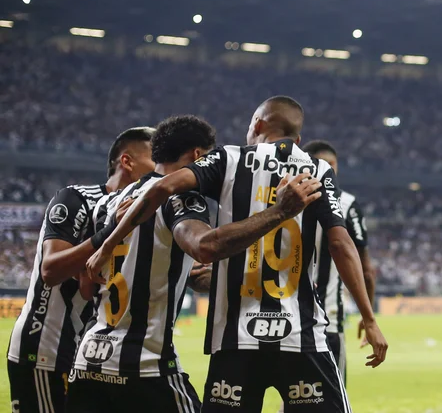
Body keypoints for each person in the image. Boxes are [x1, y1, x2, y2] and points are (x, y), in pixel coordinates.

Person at [90, 96, 388, 412]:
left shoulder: (228, 159)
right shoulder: (317, 170)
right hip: (301, 335)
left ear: (257, 124)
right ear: (297, 139)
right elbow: (341, 245)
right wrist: (369, 319)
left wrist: (107, 244)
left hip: (234, 337)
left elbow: (161, 187)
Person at [69, 115, 321, 412]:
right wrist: (279, 213)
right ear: (198, 156)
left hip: (88, 362)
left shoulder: (108, 204)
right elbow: (204, 246)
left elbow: (87, 284)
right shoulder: (180, 198)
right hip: (144, 366)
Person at [6, 126, 154, 413]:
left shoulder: (136, 215)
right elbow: (51, 270)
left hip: (88, 354)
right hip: (45, 348)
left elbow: (89, 287)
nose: (161, 169)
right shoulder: (75, 199)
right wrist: (111, 232)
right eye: (154, 159)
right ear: (127, 161)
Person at [302, 140, 376, 384]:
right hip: (327, 322)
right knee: (332, 399)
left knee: (295, 397)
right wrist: (369, 316)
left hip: (287, 321)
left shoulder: (280, 199)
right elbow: (366, 270)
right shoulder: (345, 204)